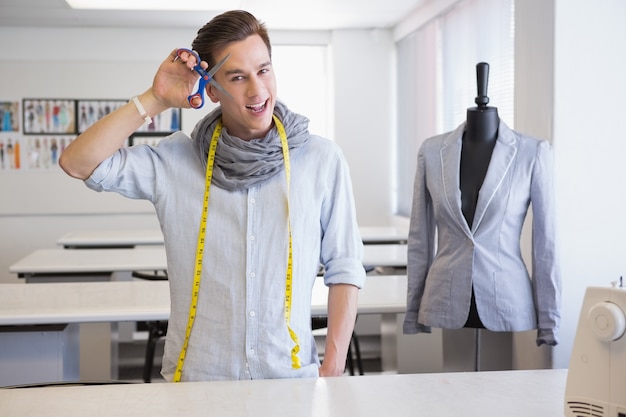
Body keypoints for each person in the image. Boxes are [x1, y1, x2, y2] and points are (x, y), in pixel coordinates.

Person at [59, 10, 365, 381]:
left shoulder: (321, 159)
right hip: (199, 382)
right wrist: (154, 99)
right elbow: (77, 163)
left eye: (264, 70)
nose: (257, 90)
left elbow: (345, 266)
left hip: (290, 381)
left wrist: (332, 368)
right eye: (238, 77)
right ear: (212, 89)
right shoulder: (176, 162)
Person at [402, 63, 561, 347]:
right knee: (448, 388)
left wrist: (549, 321)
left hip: (508, 299)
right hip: (443, 297)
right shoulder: (432, 152)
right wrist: (414, 311)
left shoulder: (532, 153)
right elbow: (419, 238)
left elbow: (545, 244)